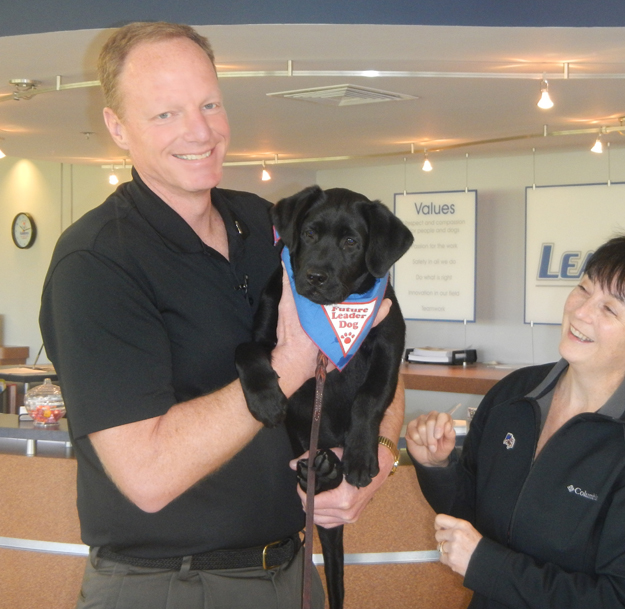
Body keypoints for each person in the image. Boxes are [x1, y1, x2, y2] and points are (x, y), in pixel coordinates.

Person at [39, 21, 403, 609]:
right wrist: (291, 361)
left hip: (290, 569)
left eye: (209, 104)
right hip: (170, 584)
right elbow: (147, 476)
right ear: (117, 127)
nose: (200, 131)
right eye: (166, 113)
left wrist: (379, 451)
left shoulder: (269, 225)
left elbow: (380, 335)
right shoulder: (96, 263)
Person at [406, 233, 625, 609]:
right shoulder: (513, 395)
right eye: (584, 289)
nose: (581, 312)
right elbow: (473, 518)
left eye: (609, 309)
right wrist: (438, 467)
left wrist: (488, 566)